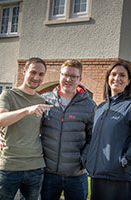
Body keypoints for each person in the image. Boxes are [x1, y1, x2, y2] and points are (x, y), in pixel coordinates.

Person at [85, 62, 131, 200]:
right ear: (108, 78)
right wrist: (87, 159)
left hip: (119, 177)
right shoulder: (100, 108)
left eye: (122, 75)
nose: (117, 78)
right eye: (113, 74)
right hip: (97, 176)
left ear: (128, 81)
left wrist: (125, 160)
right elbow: (93, 138)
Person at [0, 57, 53, 200]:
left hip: (35, 167)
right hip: (10, 166)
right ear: (24, 71)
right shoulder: (9, 95)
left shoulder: (42, 101)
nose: (36, 77)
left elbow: (40, 130)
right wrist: (27, 111)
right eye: (33, 72)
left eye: (40, 74)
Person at [39, 59, 96, 200]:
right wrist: (3, 133)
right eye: (65, 75)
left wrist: (83, 160)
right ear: (60, 76)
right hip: (48, 174)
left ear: (80, 79)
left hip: (77, 175)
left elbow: (93, 137)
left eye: (74, 76)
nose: (68, 79)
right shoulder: (45, 101)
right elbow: (30, 127)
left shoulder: (89, 105)